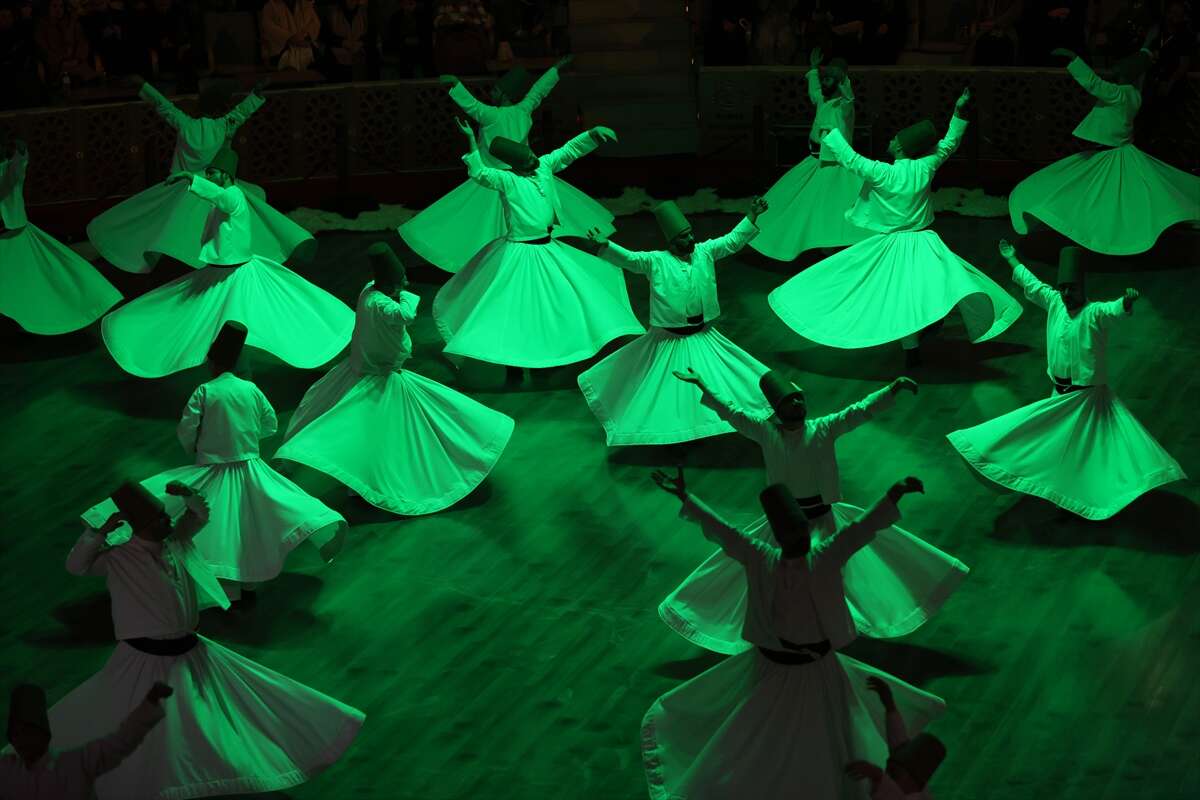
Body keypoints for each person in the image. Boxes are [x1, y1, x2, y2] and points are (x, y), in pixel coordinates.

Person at [643, 467, 945, 800]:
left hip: (815, 669)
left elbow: (861, 530)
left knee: (820, 736)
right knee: (764, 736)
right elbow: (723, 531)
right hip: (773, 669)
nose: (802, 536)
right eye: (794, 532)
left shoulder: (820, 557)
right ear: (781, 537)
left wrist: (894, 494)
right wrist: (687, 497)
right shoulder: (764, 558)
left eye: (801, 529)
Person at [53, 479, 364, 798]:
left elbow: (199, 516)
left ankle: (208, 770)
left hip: (189, 650)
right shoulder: (119, 558)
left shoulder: (175, 542)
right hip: (147, 658)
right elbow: (76, 566)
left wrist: (189, 496)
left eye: (165, 515)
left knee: (207, 716)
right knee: (146, 723)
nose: (168, 520)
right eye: (160, 518)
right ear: (140, 525)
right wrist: (96, 534)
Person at [661, 368, 968, 652]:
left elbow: (858, 412)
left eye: (799, 397)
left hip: (823, 518)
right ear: (778, 410)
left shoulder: (823, 428)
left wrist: (891, 390)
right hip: (785, 525)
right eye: (790, 400)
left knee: (840, 576)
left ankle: (832, 623)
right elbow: (731, 412)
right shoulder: (765, 432)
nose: (798, 402)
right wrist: (703, 385)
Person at [82, 321, 348, 605]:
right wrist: (246, 440)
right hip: (250, 468)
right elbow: (269, 424)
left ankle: (215, 587)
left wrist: (197, 448)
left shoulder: (205, 392)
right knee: (250, 527)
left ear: (213, 363)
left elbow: (187, 429)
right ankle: (248, 589)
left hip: (214, 468)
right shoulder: (250, 390)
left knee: (219, 531)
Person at [769, 88, 1022, 368]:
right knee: (927, 289)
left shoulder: (883, 172)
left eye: (894, 138)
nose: (890, 140)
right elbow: (949, 144)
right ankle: (921, 334)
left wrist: (829, 133)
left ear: (900, 147)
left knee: (900, 296)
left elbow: (850, 159)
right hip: (924, 242)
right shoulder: (924, 167)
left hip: (895, 246)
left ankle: (915, 343)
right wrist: (959, 112)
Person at [947, 242, 1186, 519]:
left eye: (1071, 289)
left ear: (1082, 289)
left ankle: (1082, 496)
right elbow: (1034, 286)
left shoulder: (1094, 313)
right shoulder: (1056, 303)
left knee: (1089, 451)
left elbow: (1113, 309)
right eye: (1063, 289)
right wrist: (1012, 259)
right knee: (1050, 443)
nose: (1066, 294)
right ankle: (1059, 493)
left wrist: (1126, 301)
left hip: (1086, 399)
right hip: (1060, 396)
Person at [276, 243, 516, 514]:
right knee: (358, 427)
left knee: (350, 422)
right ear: (392, 283)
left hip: (372, 372)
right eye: (402, 280)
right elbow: (406, 315)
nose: (406, 282)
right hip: (377, 379)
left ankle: (357, 476)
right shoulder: (380, 304)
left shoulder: (370, 290)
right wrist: (406, 296)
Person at [100, 147, 353, 378]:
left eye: (212, 173)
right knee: (193, 313)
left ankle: (239, 376)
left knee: (245, 321)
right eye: (207, 173)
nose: (209, 177)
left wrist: (192, 179)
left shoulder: (234, 195)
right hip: (220, 274)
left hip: (238, 276)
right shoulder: (224, 197)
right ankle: (230, 372)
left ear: (225, 174)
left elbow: (223, 199)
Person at [432, 120, 643, 375]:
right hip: (518, 252)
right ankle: (513, 361)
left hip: (548, 248)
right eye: (528, 159)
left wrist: (593, 134)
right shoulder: (508, 180)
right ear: (515, 166)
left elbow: (567, 151)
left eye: (533, 155)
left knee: (568, 296)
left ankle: (564, 346)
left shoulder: (542, 166)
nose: (534, 160)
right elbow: (480, 173)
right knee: (511, 306)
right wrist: (471, 141)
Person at [577, 198, 774, 446]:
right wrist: (606, 247)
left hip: (702, 335)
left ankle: (713, 423)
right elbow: (630, 259)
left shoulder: (704, 252)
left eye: (690, 234)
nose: (690, 239)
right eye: (683, 237)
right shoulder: (656, 261)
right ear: (671, 242)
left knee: (720, 378)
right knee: (667, 391)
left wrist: (751, 216)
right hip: (669, 339)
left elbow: (732, 241)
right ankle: (672, 431)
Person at [399, 54, 614, 273]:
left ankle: (493, 265)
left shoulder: (491, 115)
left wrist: (456, 85)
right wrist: (555, 70)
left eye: (495, 90)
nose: (492, 93)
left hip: (499, 178)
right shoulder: (524, 110)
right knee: (525, 219)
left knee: (484, 228)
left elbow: (471, 106)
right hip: (525, 177)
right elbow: (539, 92)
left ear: (503, 93)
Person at [87, 75, 316, 273]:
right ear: (220, 108)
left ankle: (185, 264)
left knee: (176, 229)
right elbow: (243, 111)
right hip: (214, 186)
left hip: (183, 188)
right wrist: (256, 93)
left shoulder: (187, 124)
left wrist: (142, 85)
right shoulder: (224, 125)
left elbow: (162, 105)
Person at [1008, 47, 1200, 254]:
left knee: (1100, 196)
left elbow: (1094, 84)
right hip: (1120, 153)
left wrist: (1074, 60)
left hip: (1113, 155)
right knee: (1120, 198)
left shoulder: (1119, 94)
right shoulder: (1135, 94)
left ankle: (1106, 235)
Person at [750, 47, 871, 260]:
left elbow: (849, 100)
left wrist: (844, 82)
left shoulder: (843, 108)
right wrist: (814, 70)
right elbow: (815, 92)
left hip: (837, 168)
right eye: (825, 79)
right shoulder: (824, 102)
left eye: (830, 79)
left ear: (840, 82)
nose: (825, 82)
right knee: (797, 203)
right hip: (817, 162)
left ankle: (833, 245)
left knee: (836, 208)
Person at [0, 140, 122, 335]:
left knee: (39, 278)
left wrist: (20, 155)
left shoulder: (11, 168)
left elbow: (16, 171)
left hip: (15, 237)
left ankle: (51, 315)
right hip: (9, 238)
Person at [1, 682, 172, 799]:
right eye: (15, 734)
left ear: (43, 733)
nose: (21, 740)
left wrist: (149, 705)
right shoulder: (7, 772)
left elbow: (121, 741)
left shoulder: (76, 763)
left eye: (28, 731)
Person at [845, 677, 948, 798]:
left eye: (893, 774)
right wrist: (889, 705)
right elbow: (897, 744)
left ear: (914, 783)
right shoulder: (910, 779)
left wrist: (877, 774)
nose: (888, 776)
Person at [34, 0, 97, 88]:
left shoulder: (73, 24)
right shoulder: (41, 26)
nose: (58, 10)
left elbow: (82, 43)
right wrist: (60, 62)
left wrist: (78, 59)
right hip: (56, 67)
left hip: (76, 63)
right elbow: (43, 49)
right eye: (54, 6)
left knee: (88, 78)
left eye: (61, 6)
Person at [261, 0, 321, 71]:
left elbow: (315, 24)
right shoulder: (271, 6)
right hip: (282, 49)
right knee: (288, 65)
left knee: (317, 60)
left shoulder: (305, 4)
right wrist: (290, 38)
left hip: (305, 45)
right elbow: (269, 28)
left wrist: (306, 36)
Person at [326, 0, 369, 81]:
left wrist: (361, 43)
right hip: (338, 60)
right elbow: (326, 36)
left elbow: (371, 34)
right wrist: (342, 42)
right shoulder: (333, 12)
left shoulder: (364, 12)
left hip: (359, 58)